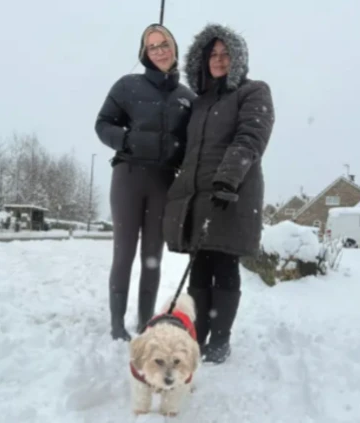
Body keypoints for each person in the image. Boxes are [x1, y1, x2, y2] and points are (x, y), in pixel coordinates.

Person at [162, 23, 275, 363]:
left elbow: (251, 137)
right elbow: (188, 150)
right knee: (199, 265)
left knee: (223, 263)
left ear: (238, 59)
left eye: (227, 54)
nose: (220, 60)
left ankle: (220, 340)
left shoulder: (254, 91)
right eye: (213, 54)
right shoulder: (199, 103)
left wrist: (227, 180)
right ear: (202, 59)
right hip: (197, 197)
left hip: (232, 193)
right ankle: (198, 336)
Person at [95, 24, 196, 341]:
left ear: (175, 48)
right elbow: (102, 124)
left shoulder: (186, 97)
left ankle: (144, 323)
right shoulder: (127, 86)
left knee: (153, 256)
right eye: (152, 46)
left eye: (164, 43)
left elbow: (192, 141)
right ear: (144, 53)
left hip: (163, 182)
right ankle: (116, 324)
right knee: (123, 253)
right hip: (128, 177)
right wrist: (125, 139)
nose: (160, 50)